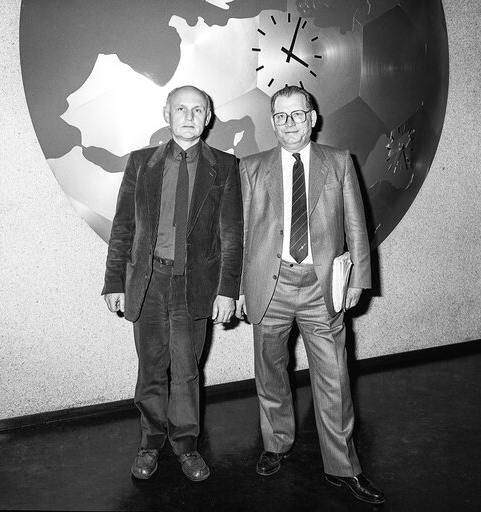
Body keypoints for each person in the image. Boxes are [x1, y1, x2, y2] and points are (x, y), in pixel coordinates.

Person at [236, 85, 384, 504]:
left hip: (323, 288)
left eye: (297, 114)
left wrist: (359, 278)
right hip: (270, 284)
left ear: (313, 117)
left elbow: (357, 223)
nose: (289, 124)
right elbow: (241, 234)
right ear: (272, 122)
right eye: (280, 116)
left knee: (335, 377)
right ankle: (276, 442)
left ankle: (343, 466)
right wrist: (236, 289)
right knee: (270, 372)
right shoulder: (251, 167)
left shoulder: (338, 162)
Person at [103, 85, 243, 482]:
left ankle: (186, 445)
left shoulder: (226, 167)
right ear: (166, 112)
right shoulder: (141, 163)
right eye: (180, 108)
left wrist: (228, 290)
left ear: (209, 117)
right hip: (149, 282)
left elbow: (232, 234)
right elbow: (123, 228)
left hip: (194, 284)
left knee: (185, 371)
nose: (188, 116)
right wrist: (114, 281)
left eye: (197, 110)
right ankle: (150, 443)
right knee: (150, 368)